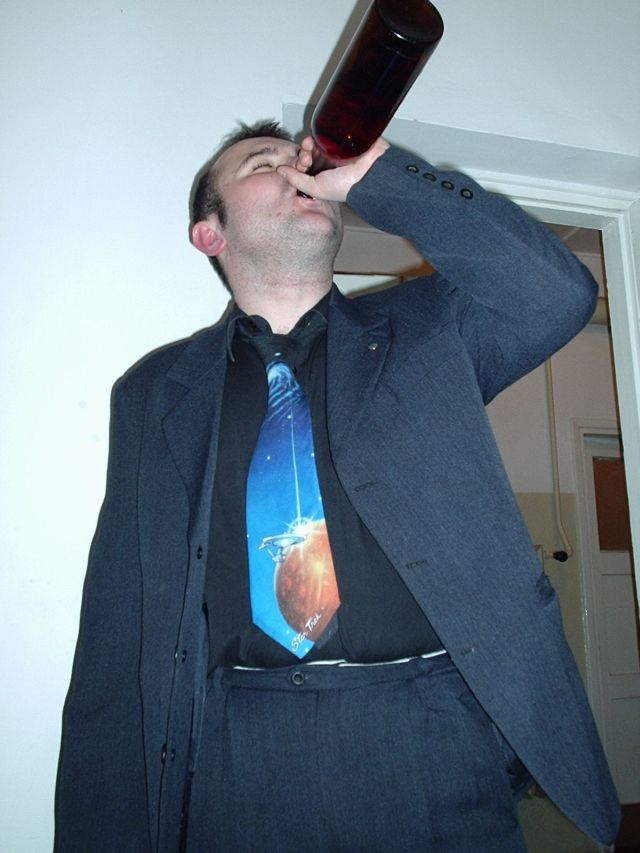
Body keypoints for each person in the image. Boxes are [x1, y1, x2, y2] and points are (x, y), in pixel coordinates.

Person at [55, 119, 620, 852]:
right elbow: (121, 621)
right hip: (235, 749)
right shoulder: (156, 392)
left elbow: (555, 294)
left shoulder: (429, 330)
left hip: (428, 737)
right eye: (264, 163)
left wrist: (380, 176)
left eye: (301, 157)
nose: (297, 166)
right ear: (209, 233)